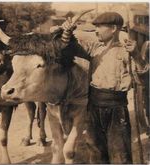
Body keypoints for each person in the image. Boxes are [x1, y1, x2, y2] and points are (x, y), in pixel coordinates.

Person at [58, 12, 149, 163]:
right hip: (93, 108)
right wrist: (67, 32)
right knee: (96, 153)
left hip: (116, 109)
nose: (96, 31)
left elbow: (143, 81)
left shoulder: (127, 51)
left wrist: (137, 56)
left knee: (120, 154)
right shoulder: (94, 48)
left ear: (113, 28)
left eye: (99, 27)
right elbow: (67, 50)